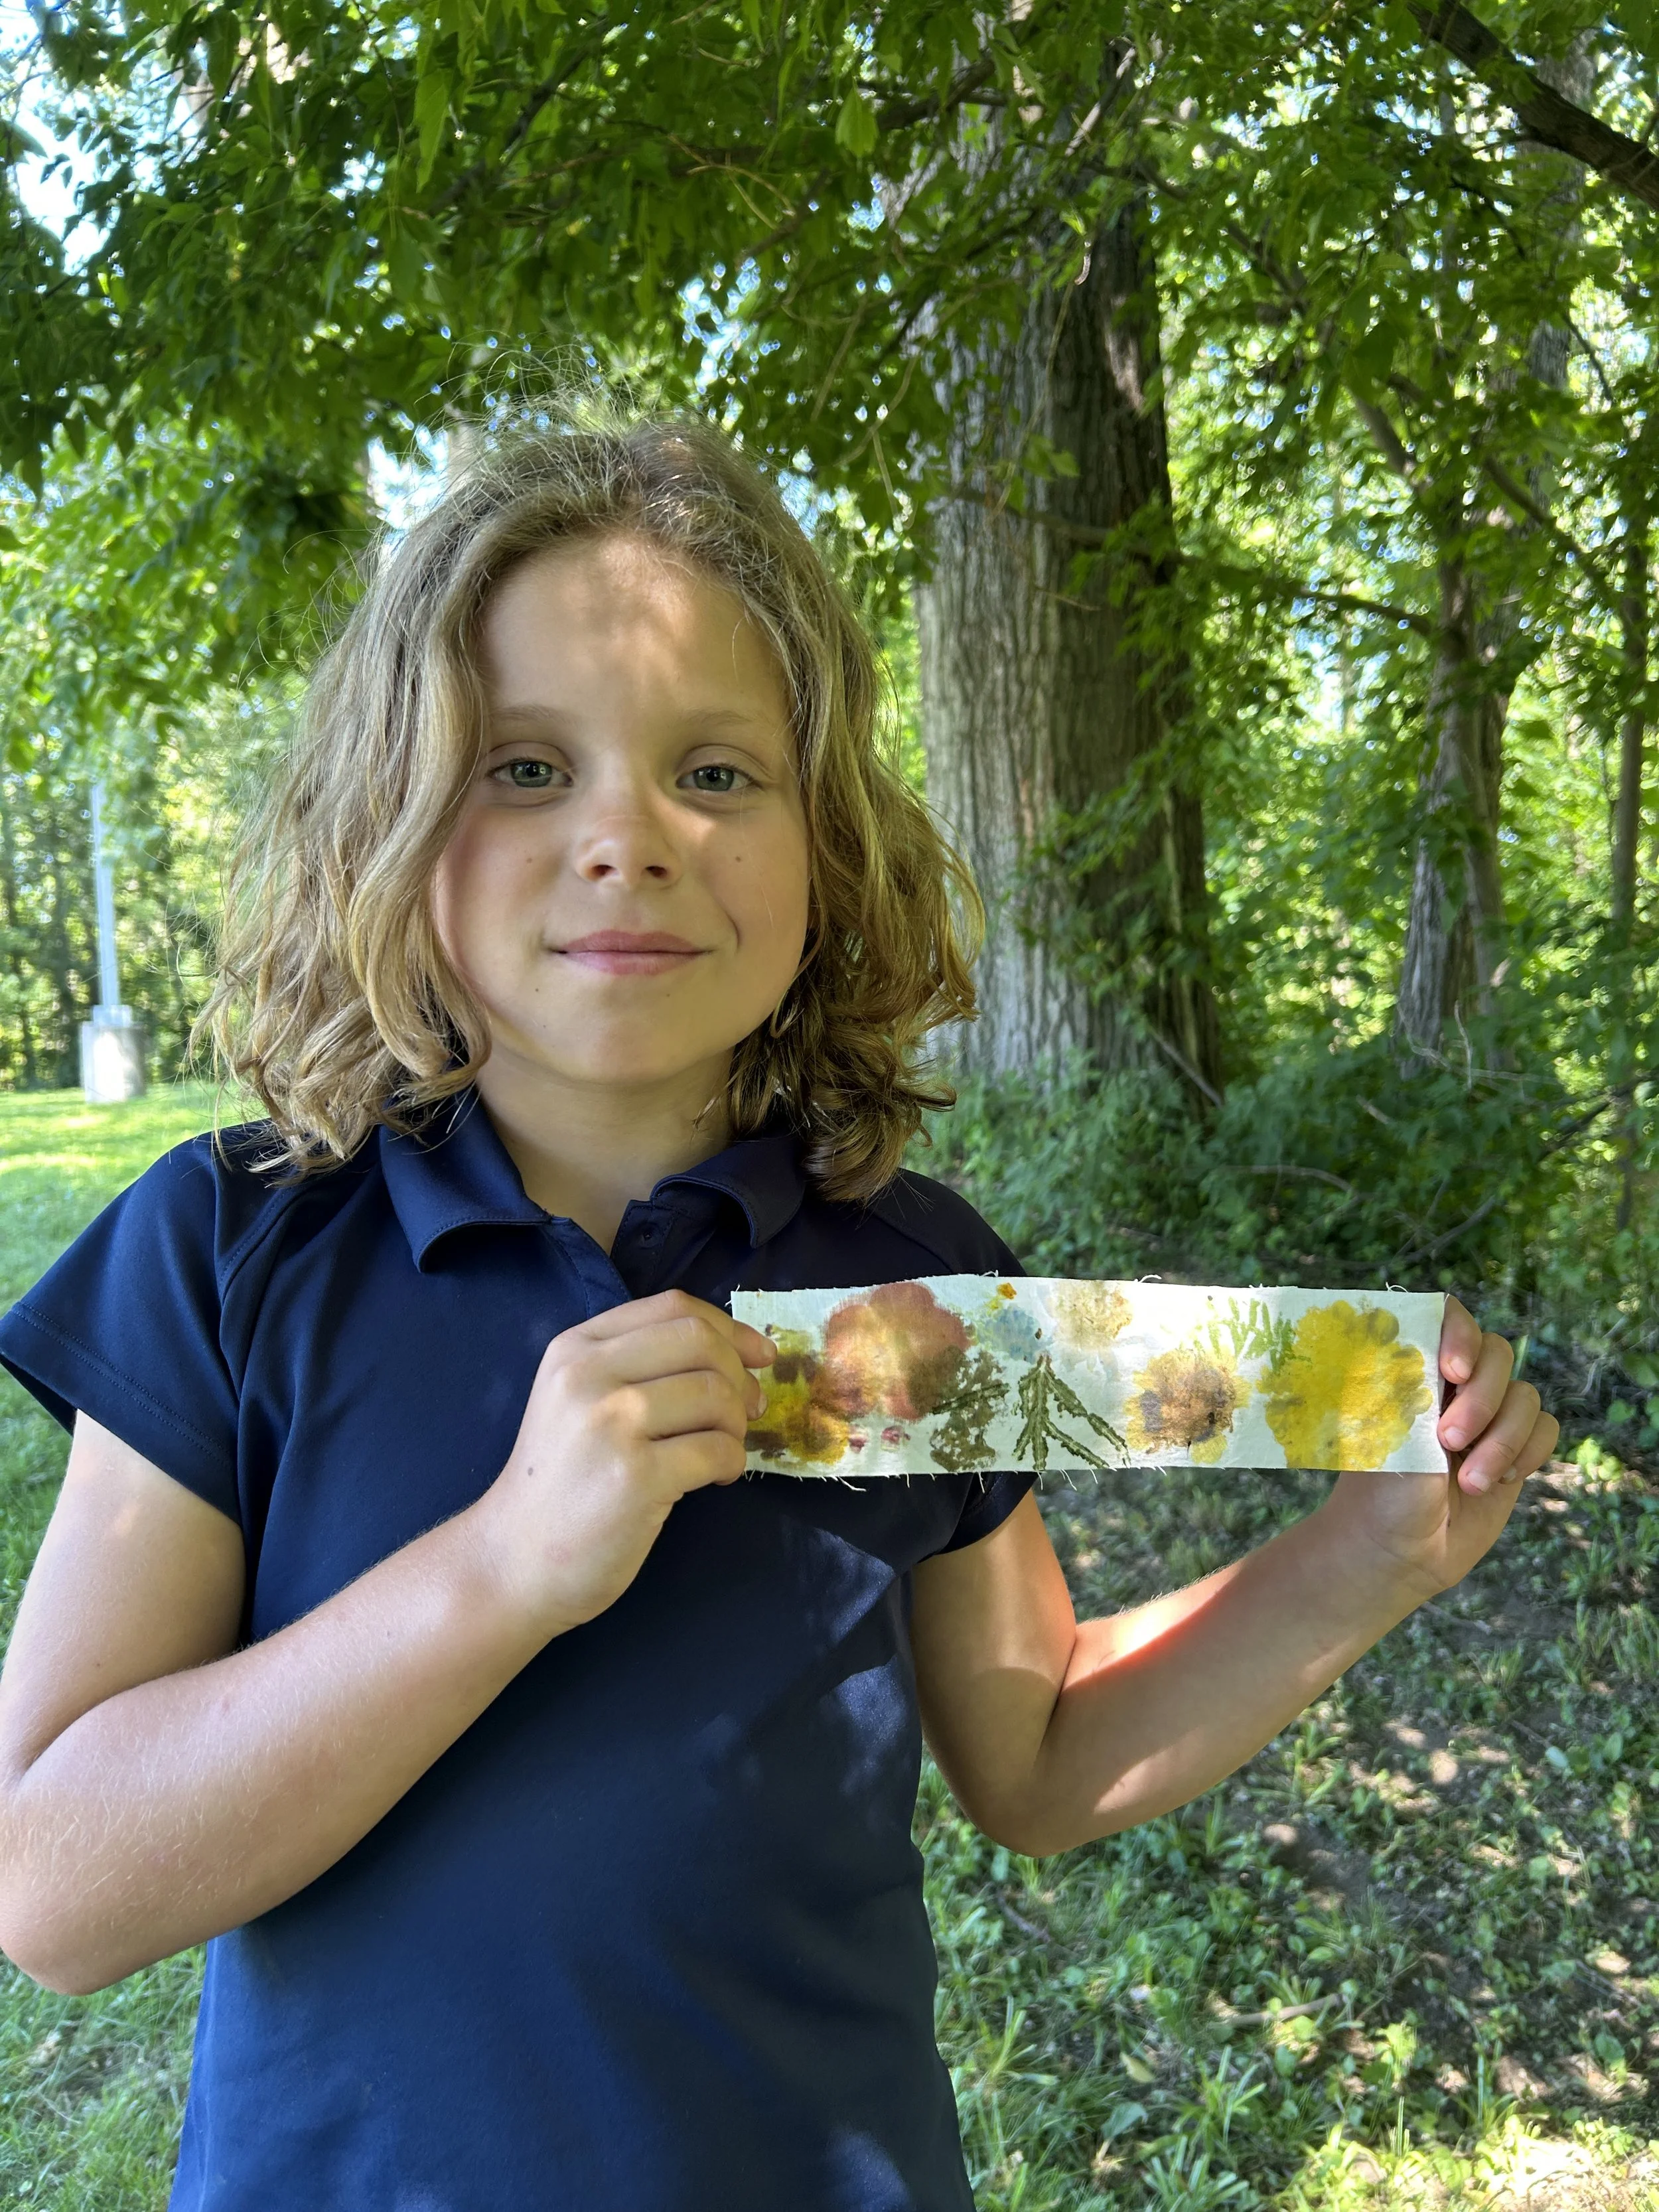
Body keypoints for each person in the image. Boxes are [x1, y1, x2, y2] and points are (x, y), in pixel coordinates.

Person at [0, 406, 1557, 2212]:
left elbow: (1038, 1753)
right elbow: (53, 1888)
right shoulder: (234, 1247)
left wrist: (1375, 1553)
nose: (627, 838)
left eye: (717, 773)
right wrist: (502, 1566)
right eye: (521, 767)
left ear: (827, 848)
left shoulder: (909, 1277)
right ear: (391, 820)